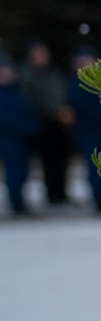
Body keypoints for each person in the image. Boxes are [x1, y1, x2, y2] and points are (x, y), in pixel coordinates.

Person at [19, 40, 74, 206]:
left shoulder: (53, 72)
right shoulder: (28, 74)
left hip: (59, 122)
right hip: (43, 123)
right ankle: (53, 194)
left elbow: (59, 93)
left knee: (62, 159)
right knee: (49, 160)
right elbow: (31, 100)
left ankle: (61, 192)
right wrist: (53, 111)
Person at [68, 46, 101, 212]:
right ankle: (98, 198)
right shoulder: (75, 84)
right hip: (89, 131)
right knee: (95, 165)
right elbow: (84, 108)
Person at [0, 52, 40, 216]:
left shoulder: (18, 90)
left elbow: (26, 111)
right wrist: (28, 127)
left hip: (21, 140)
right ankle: (15, 202)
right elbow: (7, 118)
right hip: (9, 140)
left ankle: (19, 200)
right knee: (14, 171)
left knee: (22, 171)